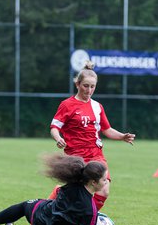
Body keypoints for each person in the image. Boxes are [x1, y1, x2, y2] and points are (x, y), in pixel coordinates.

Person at [50, 61, 136, 211]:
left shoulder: (97, 106)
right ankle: (56, 196)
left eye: (92, 86)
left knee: (103, 190)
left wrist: (122, 136)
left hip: (96, 155)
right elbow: (54, 127)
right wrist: (58, 138)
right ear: (77, 84)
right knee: (76, 193)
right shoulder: (67, 105)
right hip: (75, 158)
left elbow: (107, 129)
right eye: (85, 86)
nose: (89, 90)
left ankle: (83, 221)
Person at [0, 153, 116, 225]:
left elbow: (59, 190)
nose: (106, 182)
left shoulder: (73, 184)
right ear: (93, 182)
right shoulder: (90, 210)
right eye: (104, 180)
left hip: (39, 216)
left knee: (25, 206)